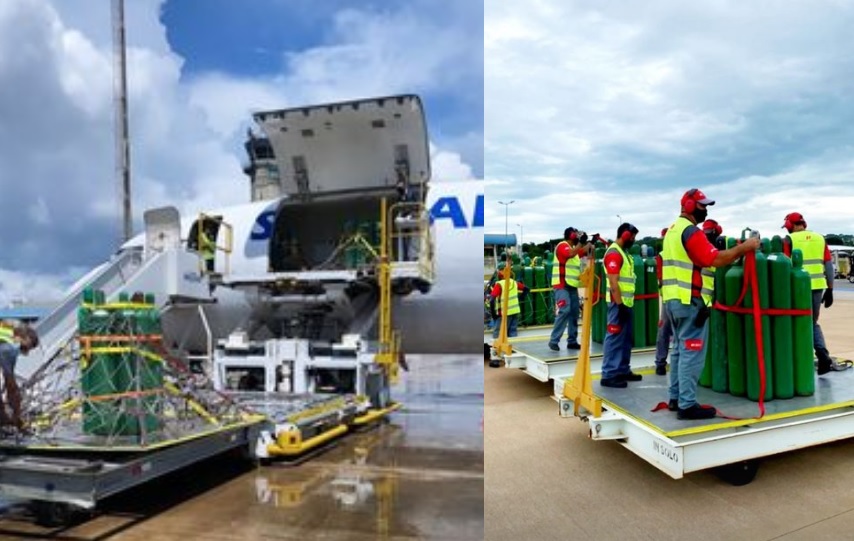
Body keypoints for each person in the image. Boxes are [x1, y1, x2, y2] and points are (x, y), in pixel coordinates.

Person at [662, 189, 759, 419]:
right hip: (690, 301)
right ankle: (687, 405)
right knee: (691, 353)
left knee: (678, 351)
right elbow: (714, 259)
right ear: (688, 205)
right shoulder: (690, 231)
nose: (706, 210)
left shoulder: (673, 231)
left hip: (673, 300)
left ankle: (676, 398)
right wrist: (744, 248)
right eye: (702, 205)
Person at [782, 212, 847, 374]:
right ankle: (822, 354)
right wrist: (830, 289)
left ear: (791, 225)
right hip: (818, 287)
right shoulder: (820, 238)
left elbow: (783, 266)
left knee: (794, 322)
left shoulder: (789, 240)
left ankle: (800, 358)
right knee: (811, 322)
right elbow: (829, 266)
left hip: (796, 287)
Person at [600, 223, 641, 388]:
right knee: (614, 338)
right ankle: (609, 374)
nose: (633, 240)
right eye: (632, 237)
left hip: (625, 303)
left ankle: (623, 370)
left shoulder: (624, 254)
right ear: (625, 235)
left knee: (625, 339)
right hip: (618, 305)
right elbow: (613, 282)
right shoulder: (614, 254)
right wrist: (620, 305)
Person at [547, 228, 592, 351]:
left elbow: (583, 251)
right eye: (576, 235)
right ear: (571, 235)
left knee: (574, 313)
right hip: (561, 285)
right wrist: (581, 243)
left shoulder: (574, 249)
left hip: (571, 285)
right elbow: (571, 253)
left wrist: (590, 243)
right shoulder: (563, 246)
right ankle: (554, 340)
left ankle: (572, 341)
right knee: (565, 310)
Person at [0, 325, 38, 429]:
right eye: (24, 348)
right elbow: (11, 387)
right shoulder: (9, 349)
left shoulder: (6, 333)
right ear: (18, 338)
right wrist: (16, 415)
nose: (25, 353)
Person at [490, 264, 527, 340]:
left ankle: (496, 349)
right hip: (515, 311)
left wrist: (494, 314)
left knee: (498, 333)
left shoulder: (499, 284)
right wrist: (520, 299)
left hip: (504, 313)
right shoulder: (514, 282)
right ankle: (514, 349)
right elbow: (526, 289)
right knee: (512, 332)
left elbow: (491, 300)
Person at [654, 227, 672, 376]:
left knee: (664, 331)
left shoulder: (661, 256)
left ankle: (660, 363)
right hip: (680, 297)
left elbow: (660, 280)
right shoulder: (662, 256)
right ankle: (662, 362)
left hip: (668, 298)